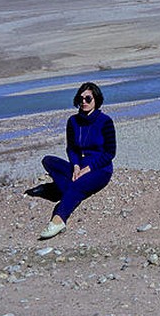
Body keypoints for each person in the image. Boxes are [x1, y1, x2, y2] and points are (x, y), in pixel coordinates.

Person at [35, 82, 116, 239]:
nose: (84, 102)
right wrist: (77, 166)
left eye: (88, 98)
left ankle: (58, 220)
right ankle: (62, 191)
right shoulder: (73, 121)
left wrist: (88, 168)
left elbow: (110, 153)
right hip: (79, 167)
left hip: (99, 169)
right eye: (81, 99)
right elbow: (71, 149)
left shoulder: (105, 121)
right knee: (48, 161)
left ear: (96, 100)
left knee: (77, 185)